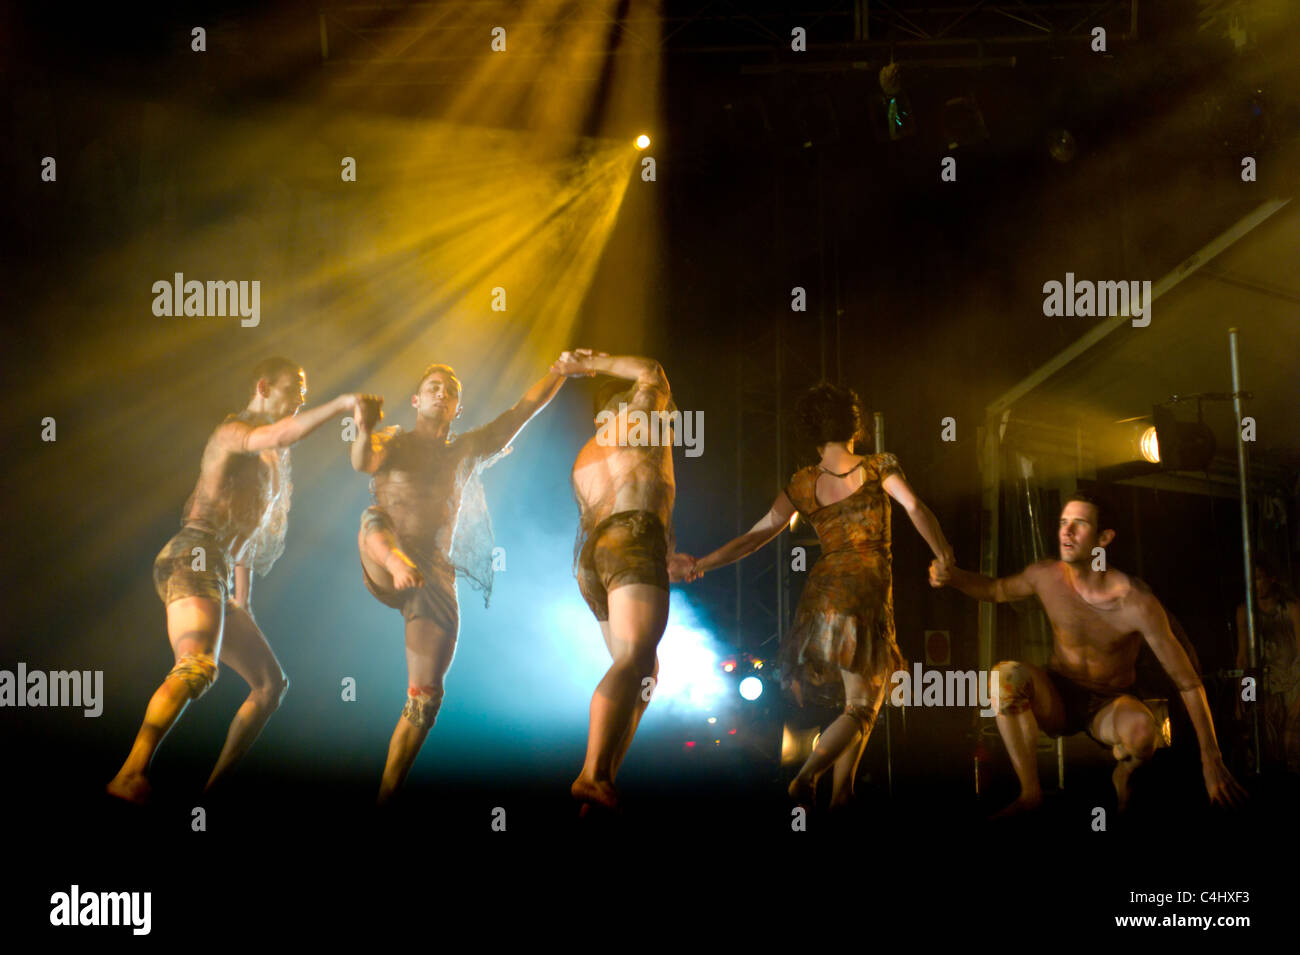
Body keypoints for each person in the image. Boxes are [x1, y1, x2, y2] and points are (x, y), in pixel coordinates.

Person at [107, 358, 371, 804]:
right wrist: (344, 403)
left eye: (303, 398)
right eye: (293, 393)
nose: (298, 403)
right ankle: (129, 773)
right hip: (191, 556)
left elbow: (245, 536)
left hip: (216, 570)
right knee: (196, 666)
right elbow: (280, 434)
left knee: (270, 686)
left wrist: (242, 600)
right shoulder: (234, 431)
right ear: (264, 387)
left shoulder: (267, 461)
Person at [680, 382, 954, 810]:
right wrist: (944, 555)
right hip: (863, 593)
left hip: (822, 597)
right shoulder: (879, 467)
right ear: (855, 424)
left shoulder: (804, 484)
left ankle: (842, 794)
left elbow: (755, 538)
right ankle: (807, 777)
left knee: (856, 704)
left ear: (810, 431)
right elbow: (915, 507)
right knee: (864, 706)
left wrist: (701, 564)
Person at [931, 492, 1248, 813]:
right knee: (1004, 677)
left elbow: (1189, 684)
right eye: (1063, 523)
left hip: (1108, 703)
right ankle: (1030, 794)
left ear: (1103, 538)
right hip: (1057, 694)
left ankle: (1123, 773)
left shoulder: (1135, 602)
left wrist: (1211, 761)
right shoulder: (1047, 576)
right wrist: (953, 577)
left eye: (1079, 524)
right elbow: (996, 590)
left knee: (1143, 734)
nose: (1066, 532)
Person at [351, 359, 566, 804]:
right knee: (372, 517)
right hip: (385, 556)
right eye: (432, 386)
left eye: (449, 391)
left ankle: (385, 798)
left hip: (431, 571)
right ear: (415, 399)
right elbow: (363, 461)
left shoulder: (465, 447)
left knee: (427, 698)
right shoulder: (392, 440)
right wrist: (362, 425)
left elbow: (520, 412)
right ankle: (394, 560)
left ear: (457, 409)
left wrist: (561, 370)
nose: (440, 394)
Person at [557, 349, 691, 814]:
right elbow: (653, 371)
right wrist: (592, 361)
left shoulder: (586, 453)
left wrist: (666, 556)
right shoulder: (638, 418)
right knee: (635, 658)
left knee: (643, 670)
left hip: (595, 561)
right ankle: (591, 774)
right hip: (632, 542)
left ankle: (602, 780)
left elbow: (626, 500)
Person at [1236, 557, 1300, 773]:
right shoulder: (1245, 612)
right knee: (1261, 747)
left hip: (1292, 685)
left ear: (1271, 579)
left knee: (1293, 746)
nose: (1255, 584)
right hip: (1262, 687)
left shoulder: (1291, 609)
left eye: (1259, 578)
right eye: (1251, 579)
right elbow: (1244, 658)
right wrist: (1244, 698)